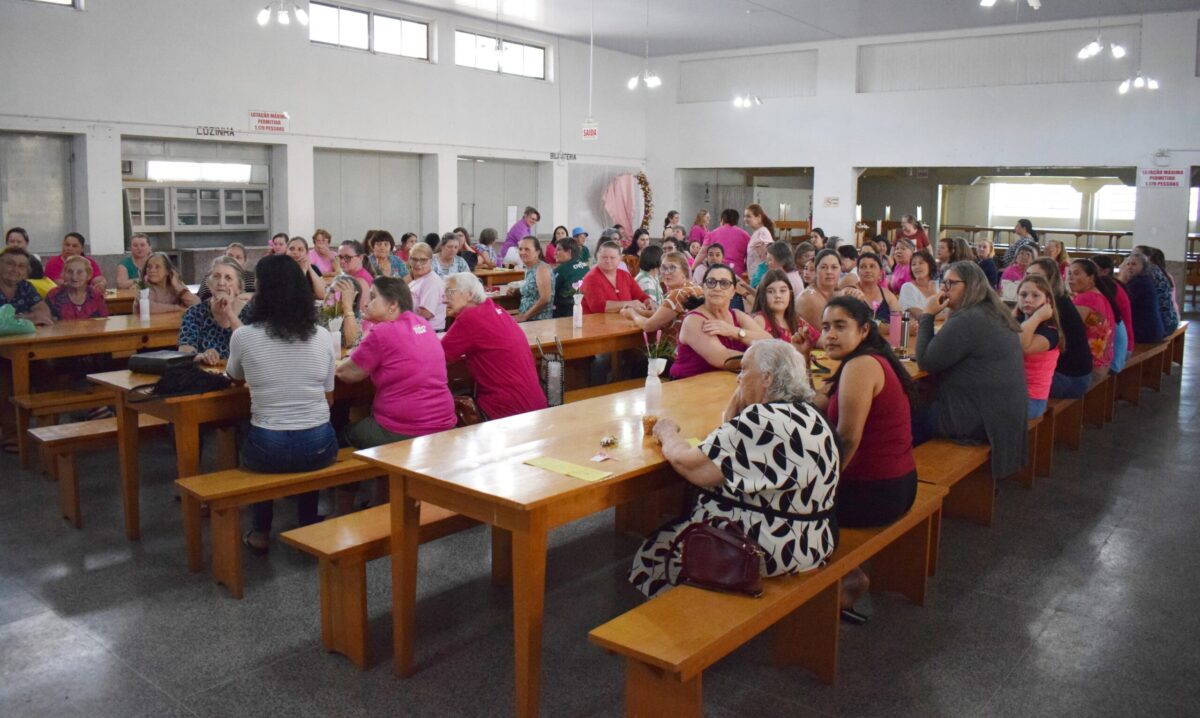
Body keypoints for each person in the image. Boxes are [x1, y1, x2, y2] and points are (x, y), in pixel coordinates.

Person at [631, 340, 839, 598]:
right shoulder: (808, 415)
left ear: (767, 378)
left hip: (771, 549)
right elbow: (732, 443)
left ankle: (678, 627)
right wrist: (737, 404)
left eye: (743, 370)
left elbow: (692, 466)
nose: (738, 378)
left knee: (655, 551)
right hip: (812, 539)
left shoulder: (761, 421)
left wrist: (666, 432)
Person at [794, 295, 916, 620]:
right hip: (894, 484)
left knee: (786, 499)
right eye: (825, 327)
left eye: (839, 326)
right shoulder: (862, 360)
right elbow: (813, 405)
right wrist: (804, 358)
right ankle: (844, 575)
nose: (829, 334)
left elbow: (847, 438)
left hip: (878, 492)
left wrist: (821, 492)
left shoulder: (861, 366)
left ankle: (840, 582)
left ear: (863, 330)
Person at [225, 254, 337, 553]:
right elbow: (329, 393)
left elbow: (234, 375)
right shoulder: (323, 336)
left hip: (267, 445)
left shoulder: (244, 337)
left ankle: (261, 530)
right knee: (311, 433)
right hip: (319, 444)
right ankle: (307, 519)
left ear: (261, 292)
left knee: (245, 432)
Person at [915, 261, 1027, 479]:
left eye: (950, 284)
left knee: (907, 419)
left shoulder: (969, 318)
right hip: (1003, 415)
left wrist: (927, 315)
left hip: (979, 421)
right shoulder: (992, 311)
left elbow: (926, 362)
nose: (944, 289)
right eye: (943, 283)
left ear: (971, 286)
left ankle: (916, 482)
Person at [336, 276, 456, 447]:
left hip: (406, 428)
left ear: (392, 304)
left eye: (372, 297)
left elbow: (346, 374)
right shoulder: (422, 323)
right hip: (444, 420)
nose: (365, 304)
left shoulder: (382, 332)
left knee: (342, 433)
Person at [442, 272, 548, 419]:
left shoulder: (470, 318)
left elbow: (438, 357)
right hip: (536, 403)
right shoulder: (496, 309)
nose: (444, 300)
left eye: (449, 292)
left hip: (508, 410)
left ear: (469, 294)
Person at [669, 263, 769, 379]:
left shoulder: (737, 315)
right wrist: (765, 359)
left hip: (724, 384)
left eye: (724, 283)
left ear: (733, 291)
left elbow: (768, 341)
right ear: (704, 287)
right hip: (687, 387)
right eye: (711, 282)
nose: (717, 288)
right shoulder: (693, 320)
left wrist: (734, 331)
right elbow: (722, 358)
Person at [1025, 258, 1093, 399]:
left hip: (1071, 378)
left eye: (1037, 277)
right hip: (1068, 373)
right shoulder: (1052, 298)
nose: (1030, 280)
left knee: (1002, 382)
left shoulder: (1055, 307)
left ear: (1051, 280)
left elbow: (1024, 346)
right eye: (1027, 275)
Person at [179, 257, 251, 365]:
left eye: (228, 278)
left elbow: (251, 350)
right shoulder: (194, 313)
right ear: (209, 284)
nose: (221, 282)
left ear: (239, 288)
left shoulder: (251, 312)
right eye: (216, 276)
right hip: (207, 376)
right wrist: (202, 356)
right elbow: (185, 352)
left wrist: (230, 314)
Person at [620, 251, 702, 343]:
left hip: (674, 353)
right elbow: (662, 314)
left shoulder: (678, 295)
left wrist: (632, 314)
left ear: (685, 271)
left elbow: (648, 326)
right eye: (663, 268)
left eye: (672, 268)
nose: (666, 272)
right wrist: (638, 311)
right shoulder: (695, 287)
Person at [1011, 275, 1061, 420]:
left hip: (1031, 400)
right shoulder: (1019, 321)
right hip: (1009, 392)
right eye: (1023, 295)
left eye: (1035, 295)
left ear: (1047, 300)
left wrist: (1038, 316)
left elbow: (1022, 345)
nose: (1028, 299)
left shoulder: (1051, 332)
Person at [1067, 259, 1116, 381]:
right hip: (1104, 363)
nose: (1070, 278)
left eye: (1077, 274)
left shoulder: (1085, 299)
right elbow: (1093, 326)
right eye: (1069, 274)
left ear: (1091, 278)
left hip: (1090, 367)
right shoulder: (1098, 296)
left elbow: (1066, 330)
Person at [580, 241, 650, 314]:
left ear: (620, 259)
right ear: (597, 257)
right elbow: (598, 306)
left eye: (612, 258)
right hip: (596, 324)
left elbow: (640, 296)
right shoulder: (591, 278)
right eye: (604, 257)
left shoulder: (625, 275)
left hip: (623, 323)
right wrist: (629, 304)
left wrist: (649, 301)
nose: (608, 261)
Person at [1092, 254, 1134, 363]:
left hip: (1117, 351)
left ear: (1105, 271)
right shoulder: (1111, 283)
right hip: (1123, 342)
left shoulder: (1104, 287)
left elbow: (1097, 322)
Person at [1117, 254, 1165, 344]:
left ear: (1143, 267)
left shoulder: (1140, 283)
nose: (1130, 267)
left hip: (1146, 332)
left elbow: (1121, 302)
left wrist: (1121, 279)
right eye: (1128, 264)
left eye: (1134, 264)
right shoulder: (1142, 280)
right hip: (1151, 330)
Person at [1132, 244, 1180, 335]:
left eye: (1137, 255)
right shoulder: (1155, 269)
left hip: (1163, 323)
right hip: (1170, 320)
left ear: (1148, 257)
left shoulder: (1148, 274)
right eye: (1132, 254)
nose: (1132, 257)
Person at [0, 247, 53, 326]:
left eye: (21, 266)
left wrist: (16, 319)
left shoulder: (26, 287)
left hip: (23, 337)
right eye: (10, 264)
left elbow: (44, 313)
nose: (15, 269)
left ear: (27, 271)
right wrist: (30, 318)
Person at [46, 255, 109, 320]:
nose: (74, 277)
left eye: (79, 272)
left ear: (88, 275)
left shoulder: (96, 296)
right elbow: (48, 325)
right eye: (70, 272)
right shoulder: (53, 296)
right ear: (63, 274)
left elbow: (102, 321)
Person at [135, 252, 199, 314]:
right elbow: (148, 307)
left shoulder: (175, 284)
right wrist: (176, 308)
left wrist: (178, 287)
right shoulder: (143, 286)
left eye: (157, 267)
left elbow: (197, 304)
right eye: (149, 267)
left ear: (167, 271)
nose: (152, 270)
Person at [846, 252, 900, 322]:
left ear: (880, 273)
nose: (868, 270)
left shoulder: (888, 295)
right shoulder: (851, 292)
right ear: (858, 272)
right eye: (863, 267)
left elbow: (899, 320)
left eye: (872, 266)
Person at [796, 249, 843, 330]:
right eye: (823, 267)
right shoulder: (808, 297)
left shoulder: (838, 293)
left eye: (834, 267)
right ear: (816, 270)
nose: (829, 272)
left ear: (840, 270)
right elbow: (827, 333)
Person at [405, 242, 446, 331]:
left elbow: (426, 314)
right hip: (418, 328)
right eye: (414, 259)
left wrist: (404, 325)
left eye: (423, 260)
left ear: (431, 261)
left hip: (427, 331)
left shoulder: (431, 281)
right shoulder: (419, 278)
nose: (418, 263)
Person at [752, 269, 800, 341]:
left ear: (790, 294)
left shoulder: (796, 320)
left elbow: (818, 340)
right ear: (763, 295)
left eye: (783, 291)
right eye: (770, 291)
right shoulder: (760, 321)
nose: (778, 296)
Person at [513, 236, 552, 322]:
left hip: (537, 321)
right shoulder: (530, 268)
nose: (522, 252)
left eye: (527, 249)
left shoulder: (542, 268)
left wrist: (525, 316)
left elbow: (545, 299)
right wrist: (517, 290)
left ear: (537, 252)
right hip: (527, 318)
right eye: (520, 249)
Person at [702, 209, 751, 276]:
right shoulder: (745, 235)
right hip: (738, 273)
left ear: (722, 220)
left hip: (716, 271)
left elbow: (702, 253)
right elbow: (750, 257)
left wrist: (693, 268)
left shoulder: (712, 234)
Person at [550, 237, 590, 318]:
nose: (554, 253)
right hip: (585, 311)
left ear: (569, 252)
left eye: (558, 249)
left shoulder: (560, 270)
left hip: (565, 314)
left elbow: (549, 293)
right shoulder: (586, 266)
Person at [899, 249, 940, 320]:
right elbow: (920, 316)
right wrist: (946, 316)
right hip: (918, 330)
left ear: (930, 265)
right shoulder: (907, 287)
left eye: (921, 263)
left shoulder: (938, 285)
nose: (917, 267)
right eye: (913, 264)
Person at [335, 239, 373, 313]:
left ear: (360, 258)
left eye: (347, 257)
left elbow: (362, 315)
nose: (342, 261)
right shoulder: (351, 276)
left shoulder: (360, 282)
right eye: (340, 257)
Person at [744, 203, 775, 279]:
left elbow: (767, 258)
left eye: (748, 216)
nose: (745, 219)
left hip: (761, 277)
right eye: (744, 216)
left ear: (758, 217)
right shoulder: (757, 232)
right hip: (755, 276)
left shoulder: (763, 233)